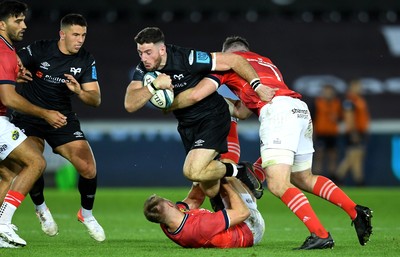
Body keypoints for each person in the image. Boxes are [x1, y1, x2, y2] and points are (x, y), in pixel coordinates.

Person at [169, 36, 373, 249]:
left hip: (277, 113)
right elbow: (243, 110)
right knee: (303, 177)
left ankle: (319, 234)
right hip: (299, 109)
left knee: (277, 183)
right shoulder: (266, 62)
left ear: (226, 52)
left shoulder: (227, 63)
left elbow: (198, 95)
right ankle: (355, 210)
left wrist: (171, 102)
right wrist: (230, 103)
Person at [124, 27, 276, 199]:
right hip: (187, 125)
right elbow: (130, 104)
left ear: (162, 49)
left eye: (148, 52)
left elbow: (234, 60)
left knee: (192, 171)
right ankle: (234, 189)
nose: (144, 58)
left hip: (212, 117)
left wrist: (257, 85)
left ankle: (239, 173)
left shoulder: (186, 58)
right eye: (140, 52)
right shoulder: (143, 70)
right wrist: (153, 86)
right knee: (210, 189)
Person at [9, 13, 105, 242]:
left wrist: (80, 92)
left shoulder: (85, 59)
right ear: (62, 34)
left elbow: (96, 99)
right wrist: (17, 73)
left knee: (88, 168)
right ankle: (41, 208)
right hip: (29, 116)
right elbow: (12, 64)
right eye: (75, 34)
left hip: (62, 118)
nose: (80, 40)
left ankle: (87, 214)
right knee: (32, 162)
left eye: (83, 35)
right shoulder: (40, 49)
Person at [0, 0, 67, 248]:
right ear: (1, 24)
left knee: (7, 173)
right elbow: (7, 98)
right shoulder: (4, 52)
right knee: (36, 161)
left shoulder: (7, 51)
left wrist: (11, 75)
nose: (24, 25)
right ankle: (3, 224)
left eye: (23, 19)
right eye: (17, 20)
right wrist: (45, 113)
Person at [143, 177, 265, 248]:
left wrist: (199, 177)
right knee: (231, 178)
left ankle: (224, 198)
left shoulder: (167, 222)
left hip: (227, 224)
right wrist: (224, 182)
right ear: (169, 204)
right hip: (250, 230)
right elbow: (243, 213)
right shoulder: (201, 226)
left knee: (214, 184)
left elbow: (194, 200)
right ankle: (256, 174)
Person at [336, 79, 370, 186]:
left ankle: (359, 180)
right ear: (351, 88)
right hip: (354, 132)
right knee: (352, 156)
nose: (360, 88)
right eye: (357, 86)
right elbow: (349, 118)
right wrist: (353, 133)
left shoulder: (359, 100)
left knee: (357, 156)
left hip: (360, 131)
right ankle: (339, 176)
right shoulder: (349, 101)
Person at [312, 84, 342, 178]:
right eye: (326, 91)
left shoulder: (337, 103)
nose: (328, 94)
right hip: (321, 133)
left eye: (330, 92)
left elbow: (341, 117)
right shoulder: (317, 103)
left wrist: (337, 118)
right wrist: (312, 134)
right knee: (319, 155)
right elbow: (312, 119)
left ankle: (333, 176)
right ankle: (316, 175)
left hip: (332, 133)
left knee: (333, 155)